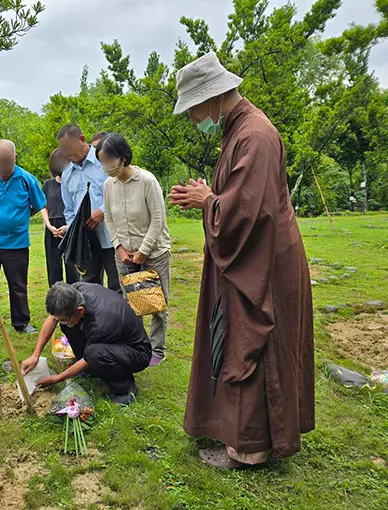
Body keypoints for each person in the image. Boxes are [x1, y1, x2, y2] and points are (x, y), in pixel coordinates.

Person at [168, 52, 314, 467]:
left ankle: (251, 449)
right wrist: (209, 195)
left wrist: (209, 201)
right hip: (256, 257)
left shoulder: (254, 134)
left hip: (262, 265)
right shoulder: (239, 131)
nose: (195, 120)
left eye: (194, 110)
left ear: (212, 97)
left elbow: (250, 212)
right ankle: (248, 439)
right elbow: (240, 194)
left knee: (253, 341)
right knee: (238, 338)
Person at [99, 133, 171, 366]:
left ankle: (157, 349)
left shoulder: (147, 181)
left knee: (156, 302)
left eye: (108, 160)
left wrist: (143, 251)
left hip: (154, 252)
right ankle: (138, 345)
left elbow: (158, 220)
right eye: (101, 161)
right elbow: (109, 219)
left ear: (122, 157)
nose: (106, 166)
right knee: (132, 303)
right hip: (124, 254)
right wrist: (119, 247)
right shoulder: (109, 185)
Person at [21, 282, 151, 405]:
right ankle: (91, 371)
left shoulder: (101, 324)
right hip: (112, 340)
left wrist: (57, 378)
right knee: (68, 326)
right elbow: (53, 319)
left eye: (63, 319)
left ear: (80, 311)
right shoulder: (74, 292)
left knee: (94, 353)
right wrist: (35, 355)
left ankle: (125, 390)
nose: (60, 321)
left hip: (137, 352)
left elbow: (87, 358)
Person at [0, 139, 49, 340]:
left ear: (15, 157)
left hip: (17, 244)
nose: (5, 166)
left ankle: (21, 322)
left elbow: (39, 204)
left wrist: (18, 219)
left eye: (8, 161)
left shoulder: (27, 179)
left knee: (18, 285)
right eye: (0, 162)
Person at [57, 124, 120, 293]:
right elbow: (69, 210)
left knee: (118, 285)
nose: (66, 154)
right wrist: (75, 231)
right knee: (89, 288)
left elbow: (120, 191)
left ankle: (122, 319)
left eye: (68, 148)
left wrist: (102, 212)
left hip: (112, 237)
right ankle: (95, 320)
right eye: (63, 150)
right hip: (86, 242)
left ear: (82, 140)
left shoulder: (105, 160)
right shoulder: (67, 173)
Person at [43, 149, 78, 286]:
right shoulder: (48, 184)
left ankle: (75, 298)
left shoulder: (73, 182)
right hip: (52, 227)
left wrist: (68, 227)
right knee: (53, 267)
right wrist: (49, 225)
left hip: (69, 226)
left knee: (72, 267)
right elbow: (43, 207)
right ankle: (56, 299)